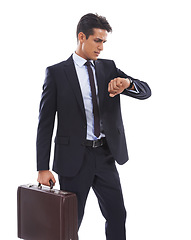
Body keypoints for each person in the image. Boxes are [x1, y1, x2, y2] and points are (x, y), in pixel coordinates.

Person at [37, 13, 151, 240]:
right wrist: (42, 167)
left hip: (105, 156)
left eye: (104, 42)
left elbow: (146, 91)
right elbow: (45, 123)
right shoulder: (57, 73)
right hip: (73, 159)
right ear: (82, 37)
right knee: (69, 222)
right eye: (97, 41)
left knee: (117, 215)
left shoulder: (109, 68)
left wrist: (127, 83)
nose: (101, 48)